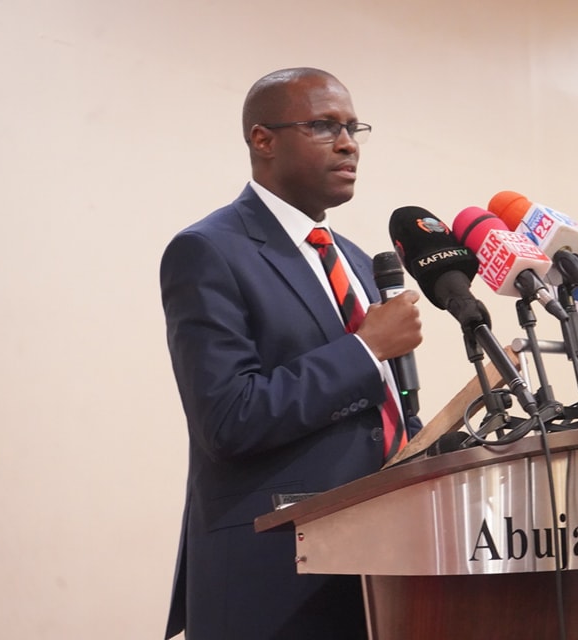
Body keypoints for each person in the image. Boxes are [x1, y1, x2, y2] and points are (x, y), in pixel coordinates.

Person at [160, 67, 423, 639]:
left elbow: (381, 417)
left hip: (379, 561)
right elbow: (228, 418)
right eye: (324, 126)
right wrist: (366, 348)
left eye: (353, 127)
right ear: (263, 139)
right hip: (273, 572)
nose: (348, 143)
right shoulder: (209, 251)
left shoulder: (357, 260)